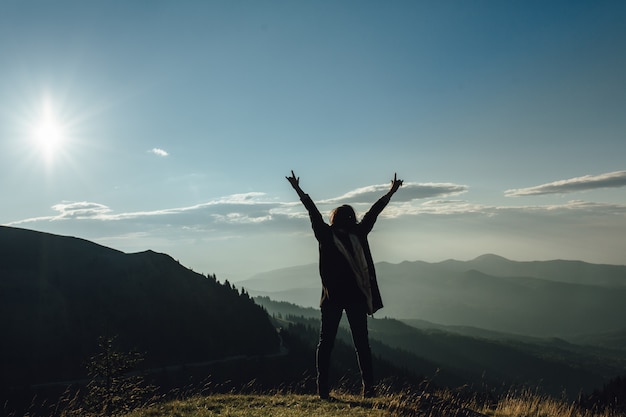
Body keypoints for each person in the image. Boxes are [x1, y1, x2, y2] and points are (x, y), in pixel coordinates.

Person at [286, 170, 403, 399]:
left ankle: (323, 390)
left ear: (334, 219)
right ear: (352, 219)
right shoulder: (359, 234)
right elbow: (373, 213)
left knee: (326, 343)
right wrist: (391, 191)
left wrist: (298, 189)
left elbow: (312, 212)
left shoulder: (325, 235)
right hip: (357, 298)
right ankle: (368, 390)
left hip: (331, 298)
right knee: (362, 345)